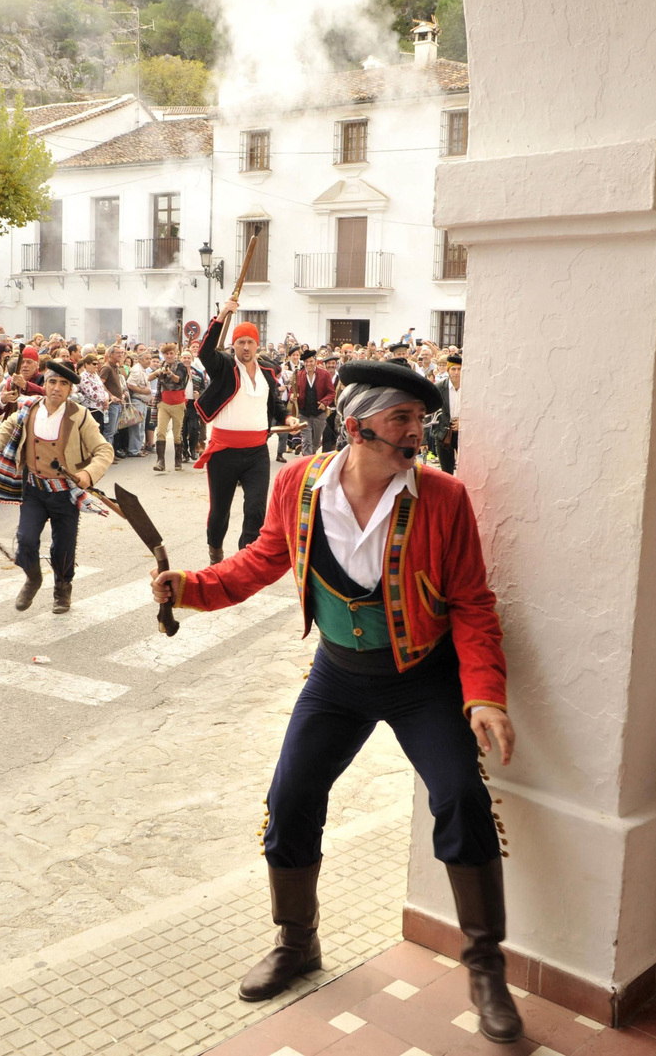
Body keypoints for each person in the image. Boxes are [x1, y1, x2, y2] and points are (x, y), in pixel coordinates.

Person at [150, 361, 520, 1040]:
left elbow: (472, 603)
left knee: (462, 797)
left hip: (421, 679)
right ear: (358, 425)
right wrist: (192, 587)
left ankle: (486, 967)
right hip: (338, 676)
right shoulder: (298, 483)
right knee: (289, 797)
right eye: (402, 419)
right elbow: (263, 559)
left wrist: (484, 695)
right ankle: (297, 943)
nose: (418, 431)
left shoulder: (442, 496)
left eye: (420, 419)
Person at [0, 360, 112, 614]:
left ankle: (62, 590)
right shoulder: (29, 407)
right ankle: (33, 577)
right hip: (34, 489)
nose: (57, 388)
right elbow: (7, 427)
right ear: (45, 384)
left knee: (64, 547)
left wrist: (88, 473)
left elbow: (104, 450)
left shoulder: (79, 415)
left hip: (65, 493)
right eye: (52, 381)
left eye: (64, 384)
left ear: (70, 389)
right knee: (26, 539)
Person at [193, 299, 299, 564]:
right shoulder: (225, 367)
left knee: (256, 509)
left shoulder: (267, 371)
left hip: (256, 452)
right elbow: (205, 353)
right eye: (241, 342)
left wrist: (286, 416)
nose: (246, 347)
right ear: (234, 345)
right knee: (220, 511)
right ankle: (215, 553)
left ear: (257, 345)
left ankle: (245, 560)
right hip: (224, 452)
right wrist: (221, 317)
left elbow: (273, 403)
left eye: (250, 342)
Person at [150, 342, 190, 472]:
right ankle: (160, 461)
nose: (169, 356)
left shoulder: (181, 366)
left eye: (171, 353)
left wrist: (170, 373)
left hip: (178, 404)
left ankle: (178, 461)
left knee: (177, 434)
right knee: (161, 431)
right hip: (164, 403)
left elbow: (179, 380)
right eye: (166, 354)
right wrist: (158, 372)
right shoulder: (161, 366)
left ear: (175, 354)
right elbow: (149, 378)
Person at [290, 349, 334, 457]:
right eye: (306, 362)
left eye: (310, 361)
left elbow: (331, 392)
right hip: (304, 413)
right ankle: (306, 463)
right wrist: (292, 396)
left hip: (319, 413)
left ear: (315, 361)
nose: (308, 364)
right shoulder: (298, 374)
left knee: (315, 441)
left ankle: (311, 457)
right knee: (306, 441)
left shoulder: (325, 374)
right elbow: (292, 390)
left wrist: (324, 403)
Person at [434, 354, 462, 474]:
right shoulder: (439, 387)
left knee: (468, 468)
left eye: (459, 369)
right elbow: (431, 412)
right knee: (446, 471)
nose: (456, 372)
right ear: (448, 370)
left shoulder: (470, 387)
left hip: (463, 432)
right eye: (453, 369)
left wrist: (463, 421)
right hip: (443, 433)